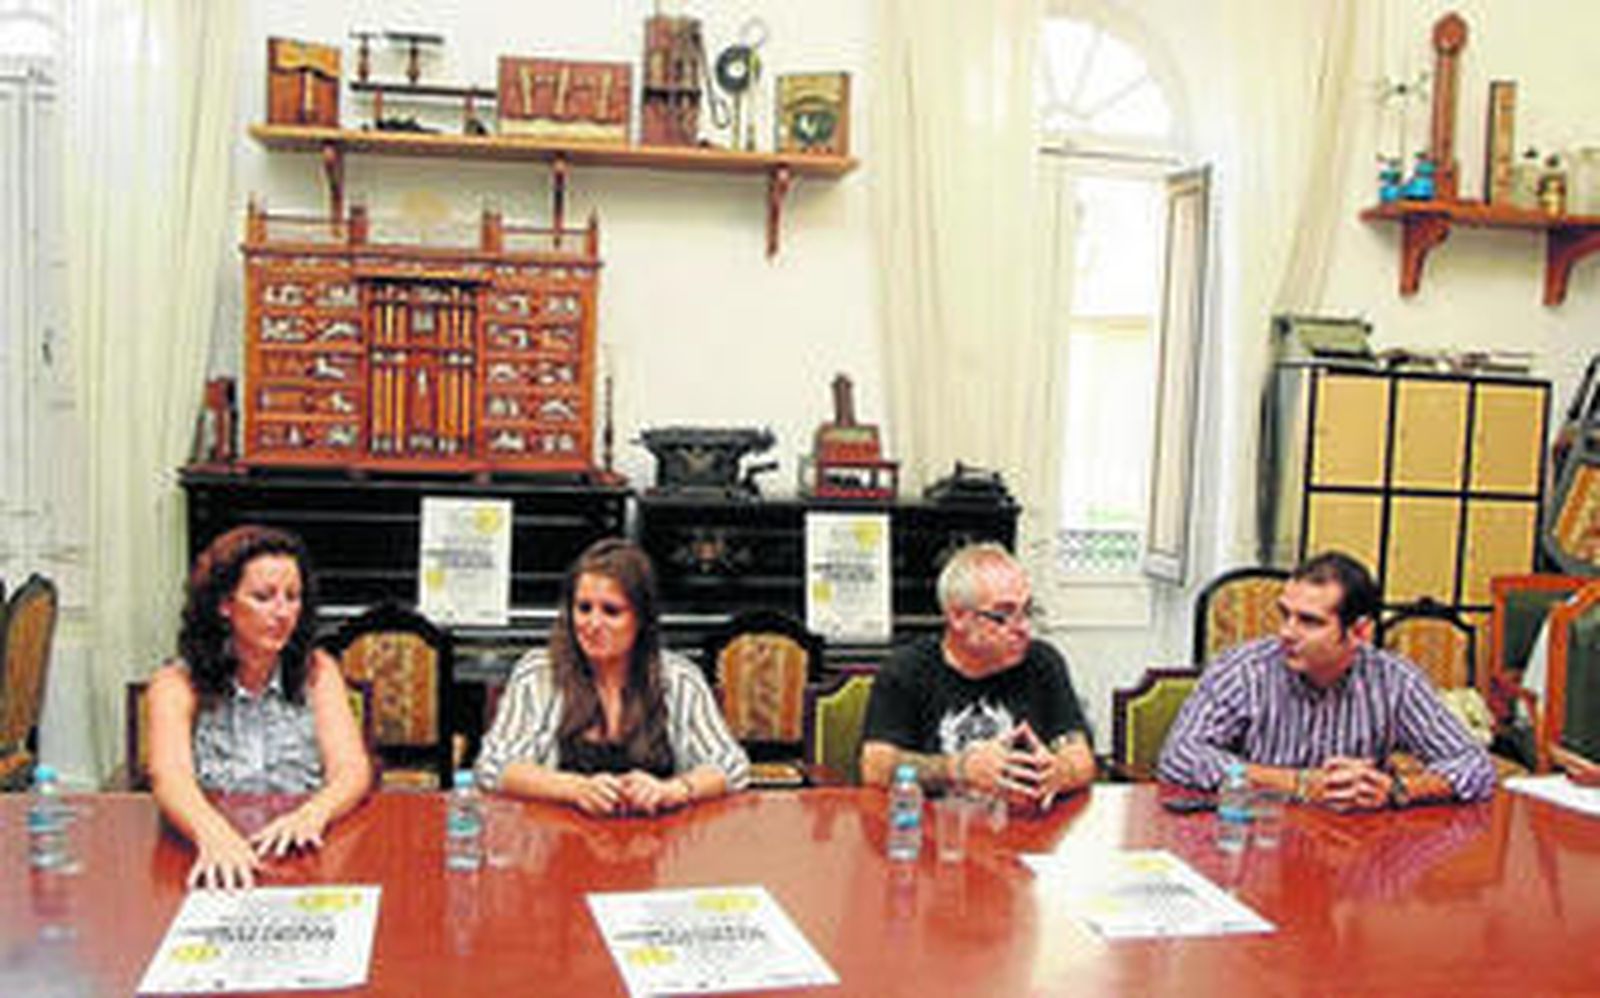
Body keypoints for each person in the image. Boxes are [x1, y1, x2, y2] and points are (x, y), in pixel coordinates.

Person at [1158, 551, 1497, 808]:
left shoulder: (1395, 681)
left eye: (1309, 621)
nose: (1287, 632)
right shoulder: (1243, 670)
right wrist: (1297, 783)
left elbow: (1475, 765)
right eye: (1284, 615)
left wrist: (1396, 790)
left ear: (1359, 632)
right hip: (1257, 837)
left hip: (1351, 852)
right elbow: (1180, 756)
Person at [147, 526, 372, 890]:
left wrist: (314, 813)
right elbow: (168, 776)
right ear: (224, 604)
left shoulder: (318, 669)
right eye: (264, 597)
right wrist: (212, 834)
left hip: (300, 850)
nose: (283, 613)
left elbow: (352, 770)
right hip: (211, 850)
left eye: (293, 597)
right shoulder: (175, 683)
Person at [476, 538, 749, 814]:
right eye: (583, 608)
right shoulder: (538, 674)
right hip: (557, 843)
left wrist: (673, 790)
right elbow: (493, 766)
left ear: (641, 618)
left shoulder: (679, 679)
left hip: (659, 847)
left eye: (611, 611)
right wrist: (573, 788)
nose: (593, 624)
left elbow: (731, 766)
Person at [859, 543, 1095, 810]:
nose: (1023, 628)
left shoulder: (1042, 662)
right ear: (958, 616)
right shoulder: (907, 669)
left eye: (1027, 611)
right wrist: (959, 769)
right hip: (935, 833)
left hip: (1022, 831)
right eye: (1004, 615)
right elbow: (876, 767)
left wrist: (1058, 772)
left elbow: (1081, 757)